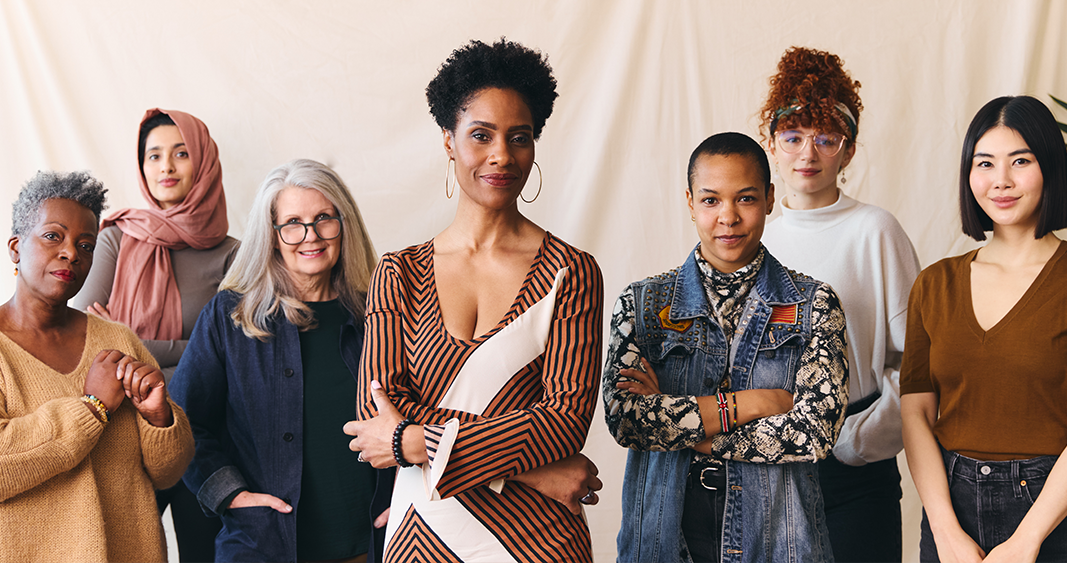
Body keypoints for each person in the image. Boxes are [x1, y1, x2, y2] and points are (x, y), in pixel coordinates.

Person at [343, 38, 605, 563]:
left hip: (539, 542)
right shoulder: (400, 270)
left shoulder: (571, 272)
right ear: (448, 140)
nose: (501, 156)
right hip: (424, 535)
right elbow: (375, 413)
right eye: (480, 135)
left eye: (519, 137)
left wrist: (415, 443)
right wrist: (532, 467)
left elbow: (563, 421)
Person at [604, 132, 849, 563]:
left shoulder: (814, 304)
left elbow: (814, 432)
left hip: (780, 542)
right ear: (690, 202)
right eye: (711, 200)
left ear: (770, 199)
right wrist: (757, 402)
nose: (728, 217)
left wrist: (686, 430)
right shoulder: (642, 305)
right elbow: (627, 420)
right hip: (661, 540)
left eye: (746, 199)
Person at [170, 159, 384, 562]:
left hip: (374, 545)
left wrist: (402, 500)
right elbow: (182, 421)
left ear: (345, 223)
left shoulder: (379, 316)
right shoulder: (230, 317)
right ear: (271, 236)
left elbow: (418, 415)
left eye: (324, 218)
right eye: (292, 223)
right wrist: (229, 494)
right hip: (264, 546)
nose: (311, 236)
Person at [757, 46, 920, 562]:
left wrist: (861, 438)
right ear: (772, 143)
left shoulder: (875, 231)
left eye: (826, 139)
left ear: (847, 151)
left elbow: (918, 358)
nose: (808, 153)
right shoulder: (755, 240)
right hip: (772, 465)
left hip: (855, 468)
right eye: (794, 137)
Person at [901, 95, 1067, 563]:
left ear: (1050, 165)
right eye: (985, 163)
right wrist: (945, 530)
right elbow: (916, 413)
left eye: (1021, 161)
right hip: (950, 508)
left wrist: (1028, 539)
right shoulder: (934, 284)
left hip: (1053, 512)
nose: (1001, 181)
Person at [0, 170, 194, 562]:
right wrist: (92, 408)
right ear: (17, 248)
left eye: (85, 244)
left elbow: (167, 474)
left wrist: (160, 418)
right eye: (53, 236)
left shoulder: (119, 341)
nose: (71, 253)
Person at [72, 107, 238, 562]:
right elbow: (86, 337)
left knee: (203, 552)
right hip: (121, 430)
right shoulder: (117, 238)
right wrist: (188, 347)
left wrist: (125, 337)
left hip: (201, 428)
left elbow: (228, 353)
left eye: (181, 153)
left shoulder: (233, 257)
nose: (165, 166)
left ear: (203, 161)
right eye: (154, 155)